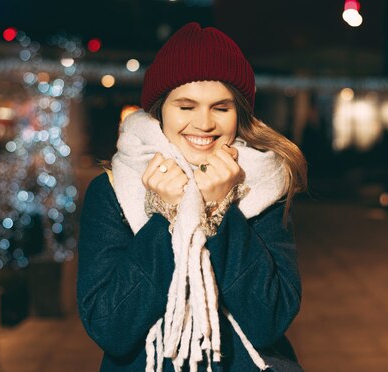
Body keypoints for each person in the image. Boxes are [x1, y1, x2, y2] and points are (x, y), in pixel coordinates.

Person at [78, 22, 307, 371]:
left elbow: (269, 320)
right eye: (186, 107)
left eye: (221, 107)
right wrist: (164, 217)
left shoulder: (265, 184)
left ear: (239, 113)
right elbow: (110, 327)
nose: (204, 123)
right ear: (159, 111)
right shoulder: (112, 191)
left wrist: (220, 210)